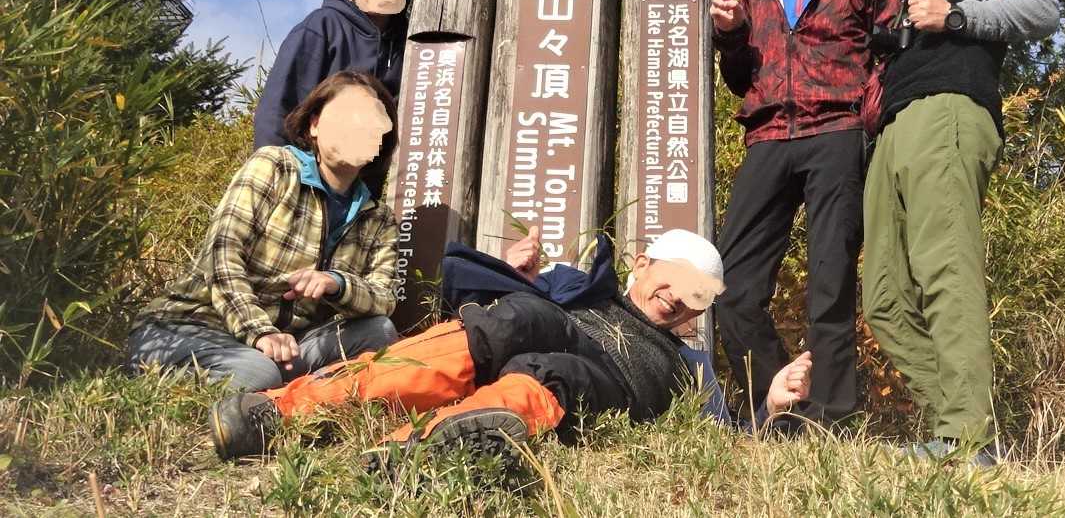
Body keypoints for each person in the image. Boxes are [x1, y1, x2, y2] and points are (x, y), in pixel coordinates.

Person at [208, 228, 814, 463]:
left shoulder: (692, 364)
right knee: (520, 320)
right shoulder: (577, 286)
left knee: (552, 373)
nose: (679, 297)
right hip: (553, 325)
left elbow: (728, 441)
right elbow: (465, 289)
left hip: (621, 385)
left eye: (697, 295)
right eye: (675, 276)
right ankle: (286, 412)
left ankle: (415, 455)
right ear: (641, 263)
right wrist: (510, 270)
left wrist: (771, 407)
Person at [859, 0, 1060, 466]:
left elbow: (1042, 8)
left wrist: (956, 16)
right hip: (894, 129)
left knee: (946, 269)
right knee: (883, 297)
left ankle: (967, 436)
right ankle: (953, 427)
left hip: (948, 113)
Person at [704, 0, 898, 426]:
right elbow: (740, 77)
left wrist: (871, 110)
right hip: (768, 136)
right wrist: (730, 32)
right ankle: (777, 409)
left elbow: (896, 51)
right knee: (731, 284)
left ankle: (830, 417)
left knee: (830, 282)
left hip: (837, 132)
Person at [128, 70, 403, 392]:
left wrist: (337, 284)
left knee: (379, 331)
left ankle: (289, 391)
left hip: (285, 344)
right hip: (193, 326)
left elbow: (384, 298)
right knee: (258, 374)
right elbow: (223, 256)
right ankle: (162, 371)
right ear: (314, 125)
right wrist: (260, 331)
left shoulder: (378, 218)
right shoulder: (274, 166)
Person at [253, 0, 416, 165]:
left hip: (367, 183)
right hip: (309, 172)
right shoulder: (321, 27)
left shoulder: (411, 42)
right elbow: (277, 109)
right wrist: (276, 170)